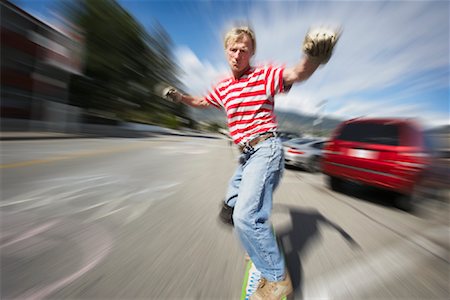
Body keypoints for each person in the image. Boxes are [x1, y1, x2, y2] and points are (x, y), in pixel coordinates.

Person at [162, 26, 338, 300]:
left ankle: (277, 280)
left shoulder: (264, 75)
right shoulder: (223, 87)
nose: (238, 54)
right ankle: (257, 243)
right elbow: (201, 100)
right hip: (246, 157)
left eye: (244, 49)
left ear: (251, 52)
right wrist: (180, 98)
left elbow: (295, 74)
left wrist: (312, 58)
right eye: (233, 49)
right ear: (226, 51)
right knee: (231, 211)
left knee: (246, 217)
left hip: (265, 150)